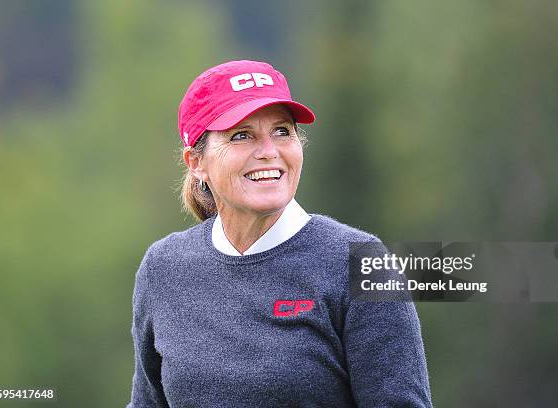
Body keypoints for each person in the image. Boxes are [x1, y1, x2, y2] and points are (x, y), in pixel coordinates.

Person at [127, 60, 432, 407]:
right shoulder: (163, 268)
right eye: (242, 135)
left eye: (282, 131)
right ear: (196, 162)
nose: (269, 151)